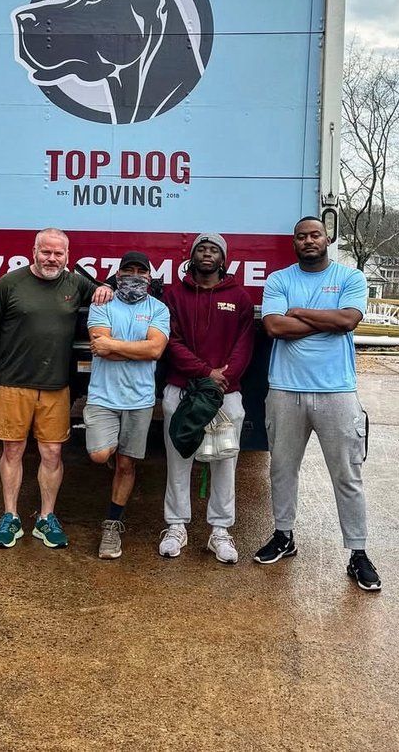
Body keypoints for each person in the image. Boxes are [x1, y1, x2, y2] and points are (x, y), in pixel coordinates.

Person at [256, 216, 380, 591]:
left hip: (337, 391)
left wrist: (300, 313)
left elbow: (348, 320)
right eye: (301, 236)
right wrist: (327, 320)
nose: (308, 240)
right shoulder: (280, 280)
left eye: (315, 235)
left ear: (328, 238)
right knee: (282, 468)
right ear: (293, 242)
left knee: (347, 474)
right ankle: (284, 535)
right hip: (285, 389)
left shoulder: (350, 278)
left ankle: (358, 554)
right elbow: (274, 327)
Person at [0, 228, 113, 549]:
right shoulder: (10, 283)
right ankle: (10, 516)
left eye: (58, 253)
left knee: (52, 452)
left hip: (55, 388)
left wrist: (105, 288)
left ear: (67, 256)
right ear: (33, 251)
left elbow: (103, 292)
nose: (52, 258)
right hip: (11, 384)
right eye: (46, 252)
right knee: (12, 450)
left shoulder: (75, 283)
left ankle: (46, 518)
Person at [159, 233, 254, 564]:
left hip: (225, 395)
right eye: (202, 248)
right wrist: (204, 372)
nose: (207, 254)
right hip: (181, 391)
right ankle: (175, 525)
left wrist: (222, 378)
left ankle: (220, 531)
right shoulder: (174, 294)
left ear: (223, 259)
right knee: (178, 460)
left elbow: (244, 344)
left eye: (214, 250)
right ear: (192, 255)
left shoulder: (239, 298)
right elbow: (170, 341)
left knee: (224, 462)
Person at [85, 251, 170, 559]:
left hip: (140, 400)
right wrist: (137, 349)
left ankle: (112, 524)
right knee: (99, 454)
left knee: (126, 464)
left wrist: (114, 346)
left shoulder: (159, 309)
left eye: (141, 271)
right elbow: (99, 346)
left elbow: (156, 350)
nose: (135, 276)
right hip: (103, 397)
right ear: (117, 276)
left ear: (150, 277)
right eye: (128, 271)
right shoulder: (102, 305)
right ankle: (112, 450)